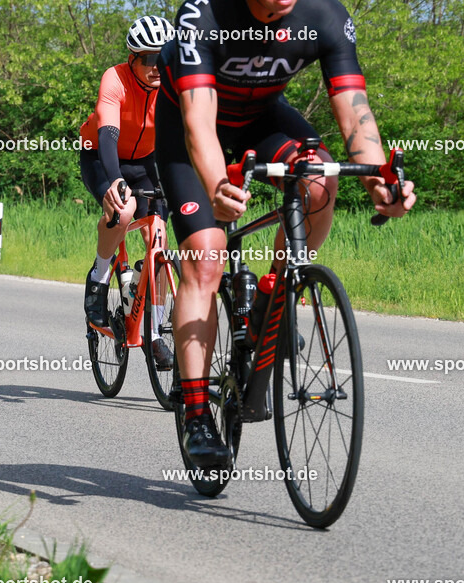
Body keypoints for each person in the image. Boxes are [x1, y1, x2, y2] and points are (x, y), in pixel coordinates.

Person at [155, 0, 416, 468]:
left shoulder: (324, 14)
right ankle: (196, 414)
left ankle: (270, 300)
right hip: (189, 129)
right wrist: (217, 187)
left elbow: (353, 110)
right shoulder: (204, 14)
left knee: (320, 181)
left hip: (262, 119)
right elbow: (198, 123)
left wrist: (381, 180)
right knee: (206, 256)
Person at [80, 15, 175, 369]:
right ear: (132, 59)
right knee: (122, 211)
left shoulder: (174, 83)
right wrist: (115, 179)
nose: (156, 66)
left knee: (159, 239)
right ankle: (99, 277)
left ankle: (155, 331)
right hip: (100, 155)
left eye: (163, 58)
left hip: (147, 160)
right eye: (148, 59)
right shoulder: (115, 78)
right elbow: (107, 135)